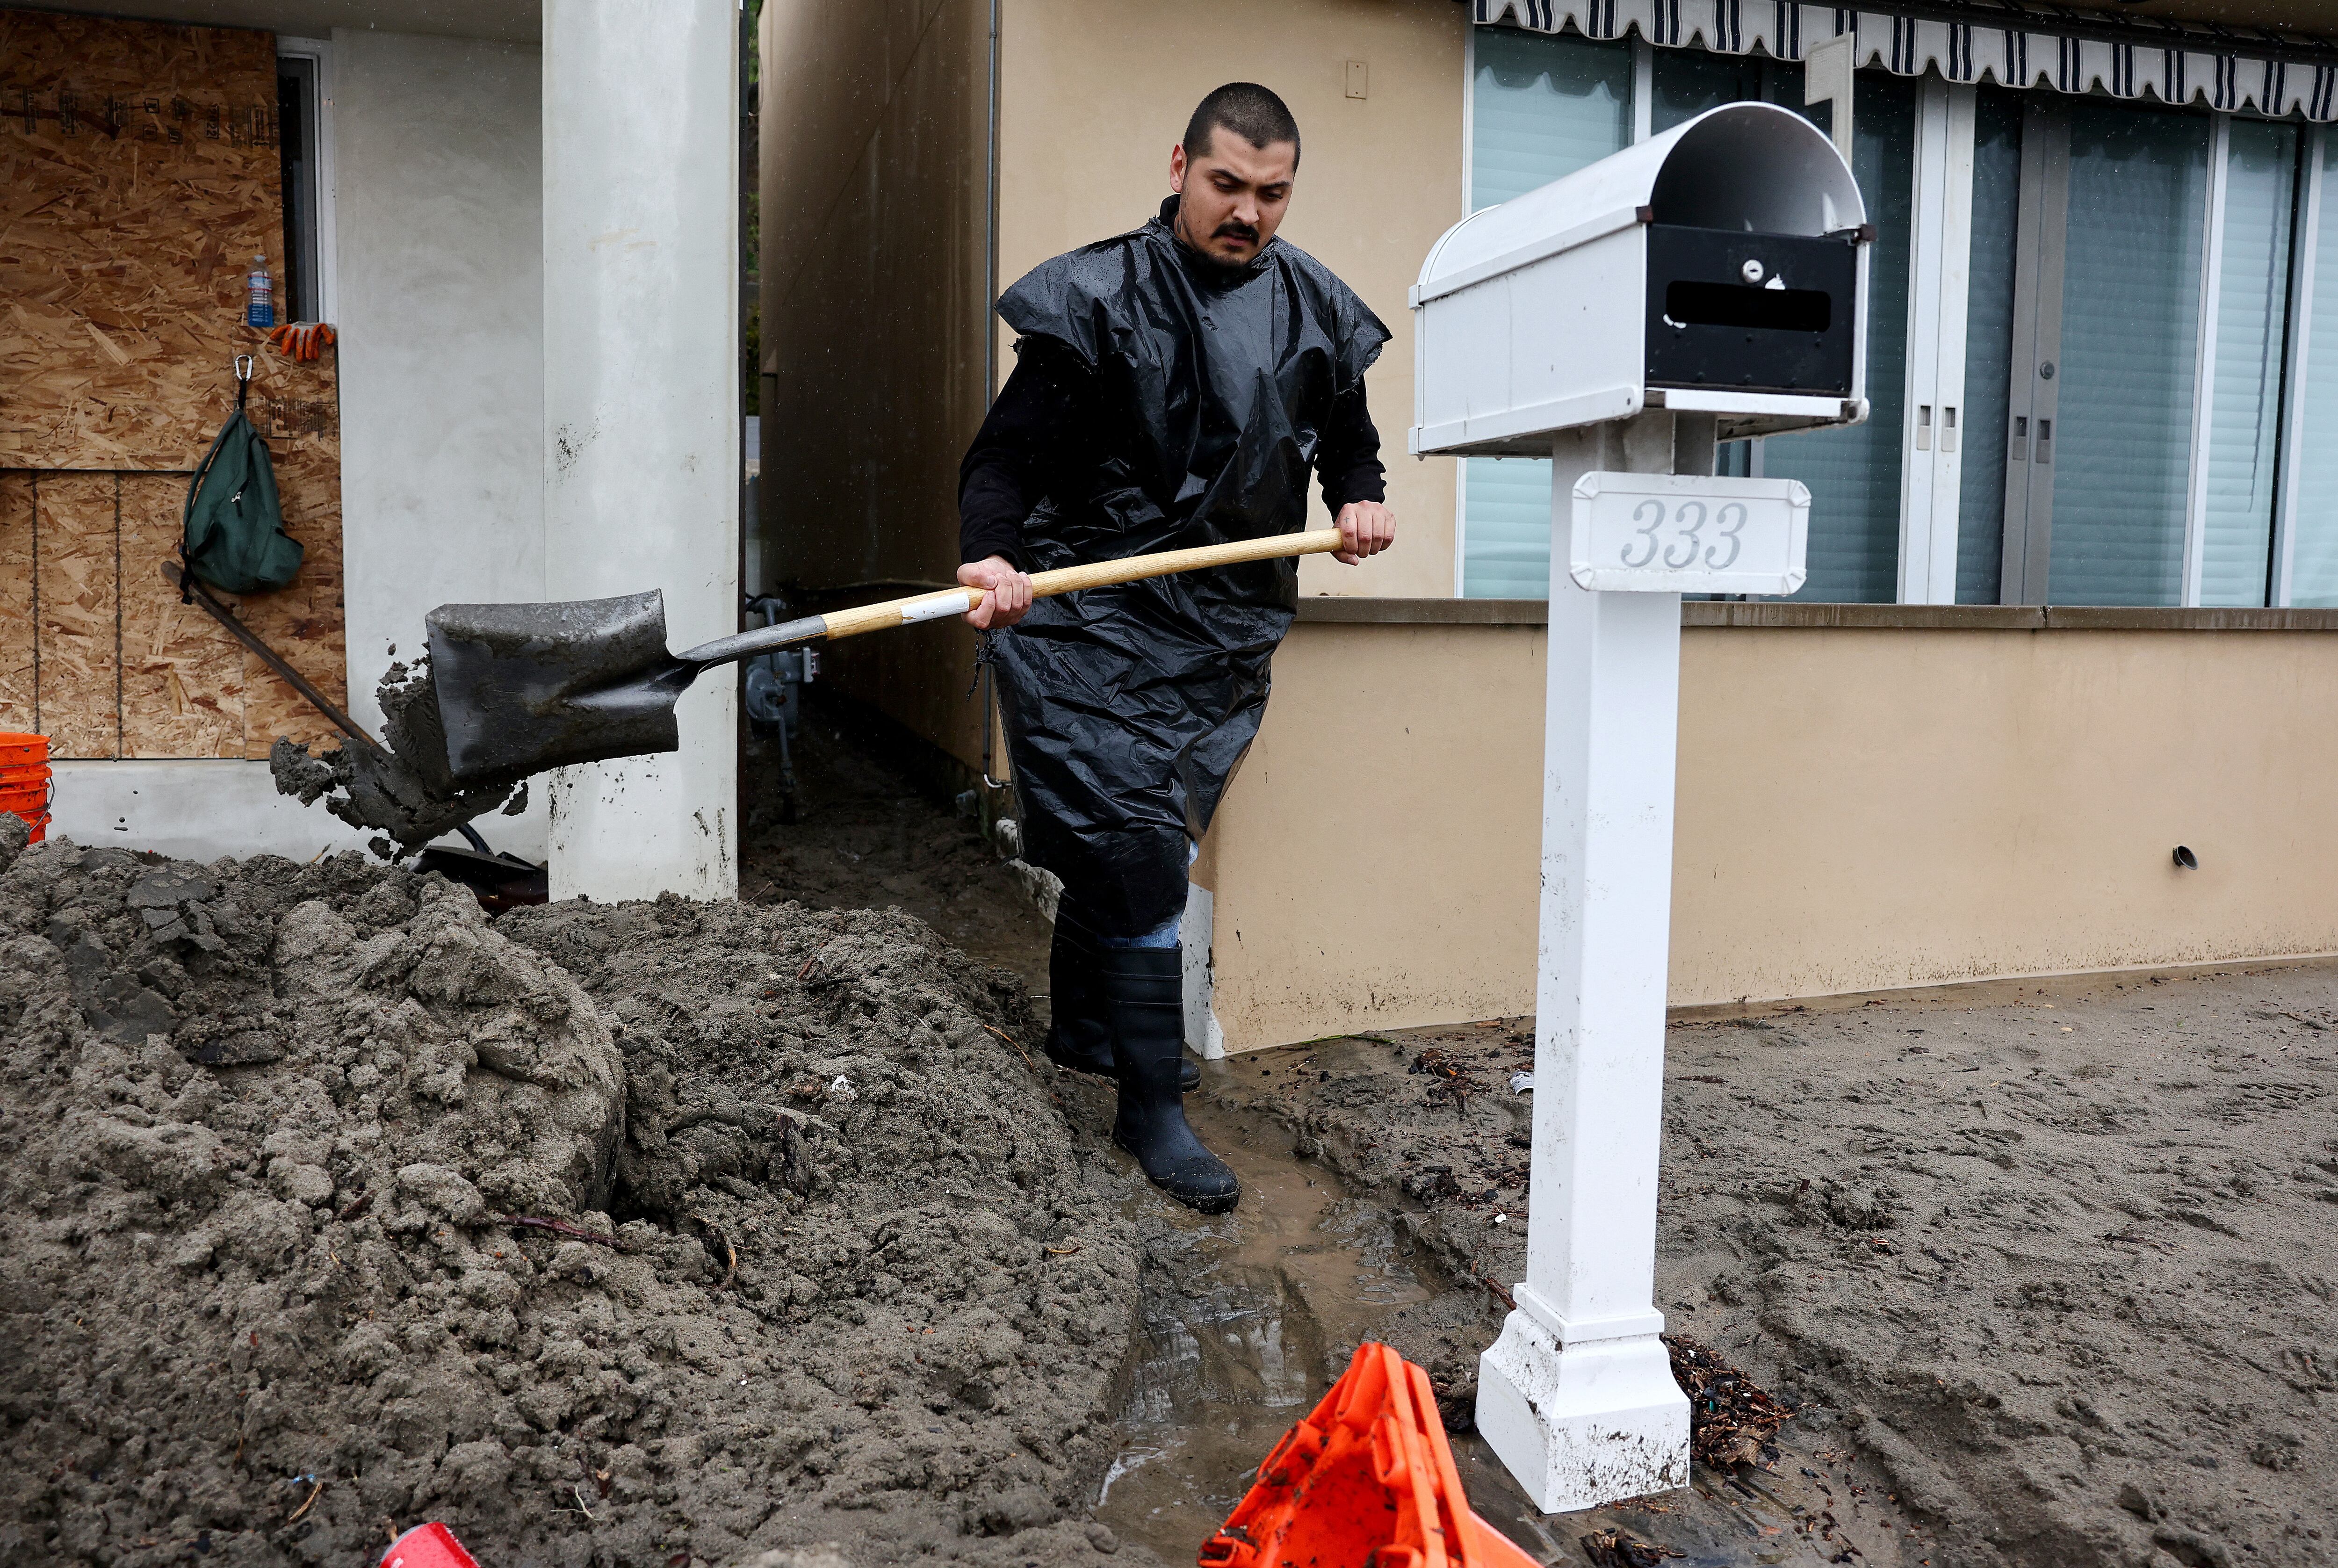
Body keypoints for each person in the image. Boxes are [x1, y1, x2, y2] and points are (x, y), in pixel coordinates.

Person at [956, 82, 1395, 1214]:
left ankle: (1083, 1027)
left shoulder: (1310, 309)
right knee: (1144, 855)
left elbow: (1349, 441)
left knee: (1134, 842)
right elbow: (1001, 462)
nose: (1247, 212)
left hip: (1218, 631)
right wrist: (991, 556)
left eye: (1271, 193)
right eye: (1226, 185)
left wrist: (1359, 498)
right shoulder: (1099, 299)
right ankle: (1152, 1106)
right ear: (1178, 167)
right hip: (1087, 626)